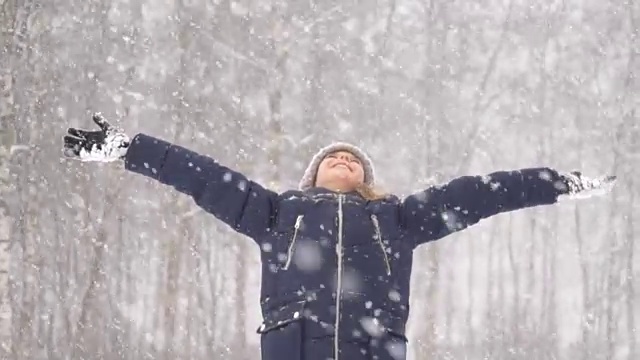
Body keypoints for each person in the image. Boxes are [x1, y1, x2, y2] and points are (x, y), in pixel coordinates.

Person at [62, 114, 616, 360]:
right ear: (314, 175)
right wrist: (130, 148)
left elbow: (477, 194)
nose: (344, 159)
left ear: (366, 180)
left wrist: (556, 184)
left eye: (353, 159)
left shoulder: (397, 219)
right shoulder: (277, 213)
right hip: (293, 349)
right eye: (334, 157)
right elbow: (205, 178)